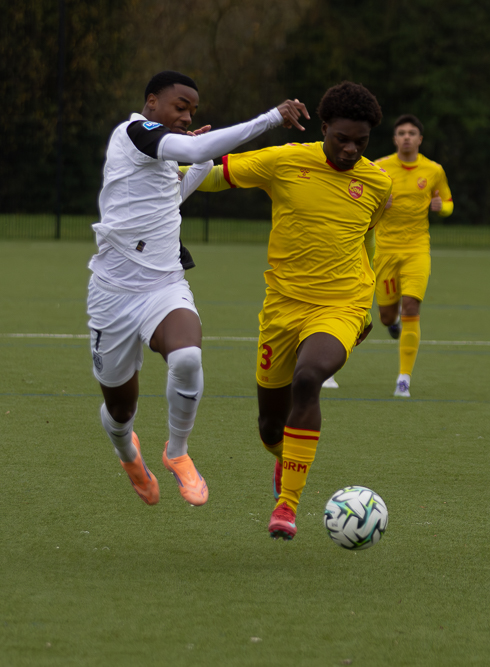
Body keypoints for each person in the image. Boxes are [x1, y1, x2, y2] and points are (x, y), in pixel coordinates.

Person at [89, 70, 308, 507]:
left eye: (192, 110)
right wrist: (270, 118)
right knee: (119, 411)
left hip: (164, 285)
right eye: (180, 106)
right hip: (112, 293)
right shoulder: (136, 132)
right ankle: (127, 453)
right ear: (152, 102)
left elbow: (174, 193)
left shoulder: (162, 152)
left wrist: (201, 162)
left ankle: (177, 452)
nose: (188, 116)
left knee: (187, 357)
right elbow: (192, 147)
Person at [191, 81, 392, 539]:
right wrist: (166, 162)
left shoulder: (378, 184)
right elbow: (212, 175)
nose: (350, 149)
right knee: (268, 428)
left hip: (341, 304)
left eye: (361, 142)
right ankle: (286, 461)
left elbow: (367, 243)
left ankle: (287, 506)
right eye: (342, 137)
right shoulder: (284, 161)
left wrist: (364, 309)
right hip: (282, 308)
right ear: (324, 127)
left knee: (309, 377)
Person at [371, 114, 453, 398]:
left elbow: (449, 203)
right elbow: (362, 205)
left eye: (412, 133)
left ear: (420, 139)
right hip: (385, 252)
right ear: (395, 139)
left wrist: (441, 207)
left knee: (411, 308)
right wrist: (380, 204)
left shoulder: (433, 170)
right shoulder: (379, 168)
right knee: (385, 316)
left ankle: (403, 379)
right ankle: (391, 325)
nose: (406, 137)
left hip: (417, 249)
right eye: (401, 133)